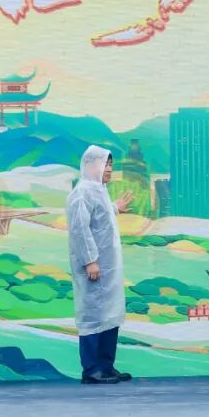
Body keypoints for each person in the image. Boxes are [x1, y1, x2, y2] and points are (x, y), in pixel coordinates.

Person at [68, 146, 134, 385]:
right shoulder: (81, 193)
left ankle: (106, 366)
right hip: (93, 267)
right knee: (93, 316)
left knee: (110, 315)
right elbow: (80, 230)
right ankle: (92, 369)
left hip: (108, 267)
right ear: (91, 165)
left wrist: (115, 208)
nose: (109, 170)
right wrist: (90, 260)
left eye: (111, 165)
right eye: (105, 165)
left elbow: (100, 216)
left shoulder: (99, 190)